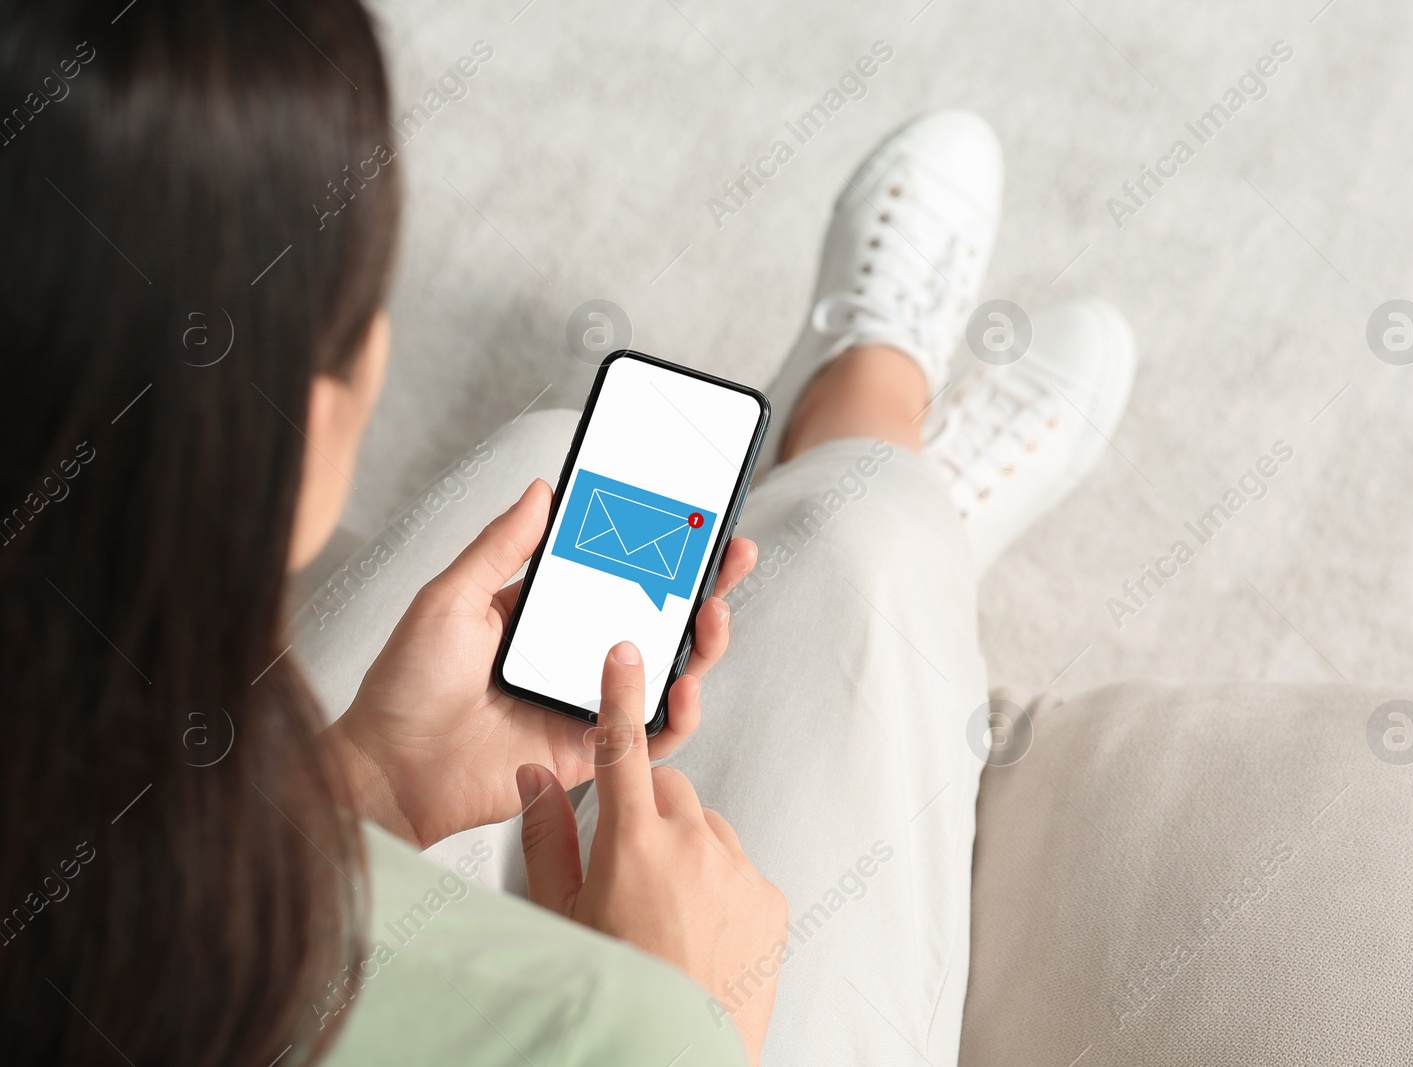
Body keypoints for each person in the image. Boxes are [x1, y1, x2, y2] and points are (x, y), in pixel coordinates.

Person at [0, 4, 1137, 1067]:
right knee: (867, 547)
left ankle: (865, 488)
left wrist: (367, 786)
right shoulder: (620, 1025)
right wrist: (684, 1016)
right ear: (322, 416)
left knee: (553, 463)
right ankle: (876, 442)